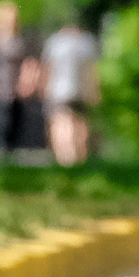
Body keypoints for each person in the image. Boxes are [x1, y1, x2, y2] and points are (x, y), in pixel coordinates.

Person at [42, 16, 101, 167]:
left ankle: (65, 157)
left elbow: (49, 68)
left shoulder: (55, 43)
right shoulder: (86, 43)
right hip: (81, 91)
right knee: (80, 122)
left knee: (61, 122)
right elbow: (92, 71)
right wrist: (95, 92)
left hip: (58, 91)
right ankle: (79, 156)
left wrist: (45, 88)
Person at [0, 2, 48, 158]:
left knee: (15, 123)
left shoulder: (20, 40)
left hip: (15, 89)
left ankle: (11, 153)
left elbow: (30, 63)